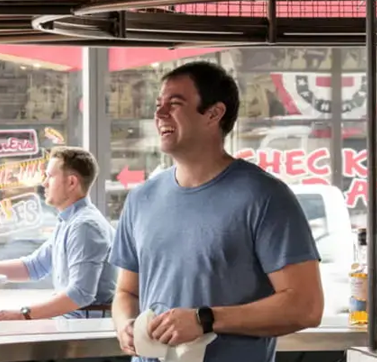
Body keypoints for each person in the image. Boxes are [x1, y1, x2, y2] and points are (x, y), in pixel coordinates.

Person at [111, 62, 324, 361]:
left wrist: (204, 319)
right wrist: (125, 324)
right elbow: (126, 292)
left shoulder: (265, 197)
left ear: (214, 113)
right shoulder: (141, 199)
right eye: (158, 105)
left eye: (175, 104)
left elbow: (306, 307)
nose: (159, 115)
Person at [0, 146, 115, 320]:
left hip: (84, 330)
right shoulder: (70, 221)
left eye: (50, 177)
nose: (44, 183)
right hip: (70, 323)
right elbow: (34, 266)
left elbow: (80, 294)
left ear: (71, 183)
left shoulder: (85, 227)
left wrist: (23, 315)